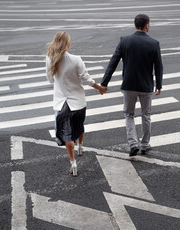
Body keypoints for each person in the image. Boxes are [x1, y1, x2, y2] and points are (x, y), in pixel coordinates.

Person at [101, 14, 163, 157]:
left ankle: (133, 144)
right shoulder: (154, 43)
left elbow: (113, 62)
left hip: (128, 85)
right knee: (146, 115)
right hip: (146, 86)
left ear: (135, 24)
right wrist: (159, 84)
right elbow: (158, 67)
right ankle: (145, 145)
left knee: (129, 115)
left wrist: (104, 83)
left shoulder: (124, 41)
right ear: (146, 25)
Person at [46, 32, 107, 176]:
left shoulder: (49, 60)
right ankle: (80, 146)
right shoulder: (76, 59)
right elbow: (86, 78)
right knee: (78, 126)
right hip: (78, 102)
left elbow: (50, 80)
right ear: (68, 44)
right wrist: (99, 87)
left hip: (61, 104)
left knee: (67, 134)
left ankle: (73, 163)